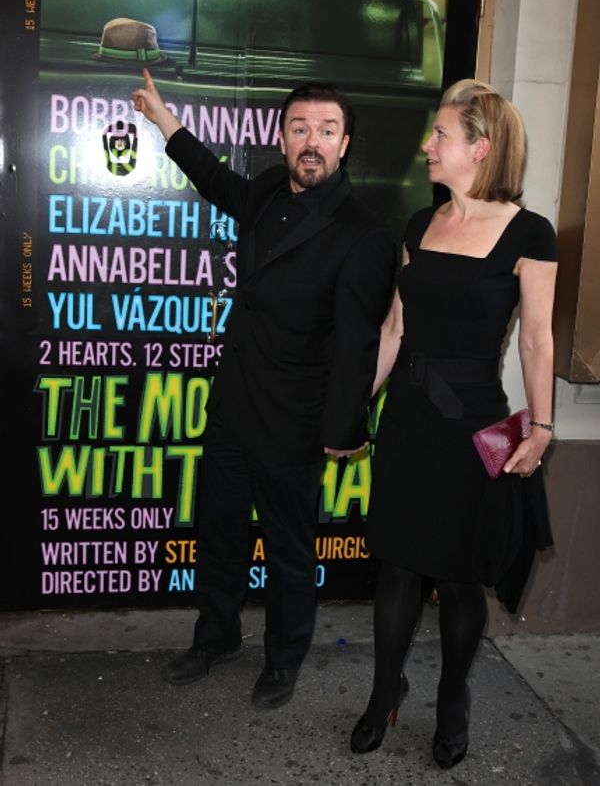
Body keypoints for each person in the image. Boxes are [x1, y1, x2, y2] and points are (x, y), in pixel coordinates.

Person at [132, 69, 396, 708]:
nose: (313, 141)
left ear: (345, 144)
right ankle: (216, 637)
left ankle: (284, 659)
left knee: (288, 553)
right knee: (217, 532)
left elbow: (358, 342)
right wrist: (164, 121)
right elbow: (217, 181)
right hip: (233, 405)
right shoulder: (270, 187)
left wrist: (340, 431)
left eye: (327, 131)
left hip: (295, 419)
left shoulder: (363, 232)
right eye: (300, 128)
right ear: (281, 139)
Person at [350, 79, 558, 767]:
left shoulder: (531, 233)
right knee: (397, 567)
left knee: (461, 575)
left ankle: (453, 697)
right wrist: (357, 405)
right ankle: (384, 692)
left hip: (472, 425)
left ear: (481, 147)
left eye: (440, 135)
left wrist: (543, 427)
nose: (427, 146)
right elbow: (394, 327)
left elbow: (536, 339)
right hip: (408, 419)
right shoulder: (418, 224)